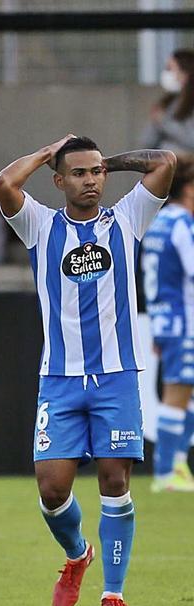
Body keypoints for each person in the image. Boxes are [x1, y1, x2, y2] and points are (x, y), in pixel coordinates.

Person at [0, 134, 176, 606]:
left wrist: (104, 161)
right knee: (52, 490)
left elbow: (165, 162)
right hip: (60, 378)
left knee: (115, 480)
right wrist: (48, 151)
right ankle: (77, 555)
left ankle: (112, 594)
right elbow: (5, 182)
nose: (91, 180)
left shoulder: (127, 218)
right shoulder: (40, 225)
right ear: (58, 181)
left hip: (117, 376)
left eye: (96, 172)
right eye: (78, 173)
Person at [142, 157, 194, 493]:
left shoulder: (160, 221)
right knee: (178, 392)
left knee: (184, 392)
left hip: (166, 316)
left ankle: (176, 464)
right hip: (184, 318)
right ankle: (166, 472)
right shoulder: (182, 224)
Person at [142, 50, 194, 154]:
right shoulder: (171, 102)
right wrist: (156, 122)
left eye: (170, 69)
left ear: (185, 72)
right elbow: (147, 142)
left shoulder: (189, 103)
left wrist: (163, 122)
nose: (167, 73)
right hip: (167, 162)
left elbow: (191, 140)